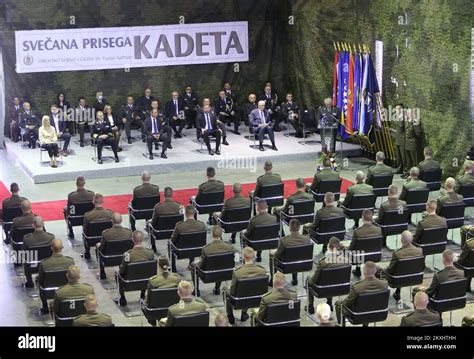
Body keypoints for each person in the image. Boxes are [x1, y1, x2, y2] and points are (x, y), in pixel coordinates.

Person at [226, 246, 266, 324]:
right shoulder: (262, 271)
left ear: (243, 258)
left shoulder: (238, 273)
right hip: (257, 299)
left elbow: (233, 291)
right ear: (254, 257)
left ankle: (230, 315)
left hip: (240, 300)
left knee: (227, 291)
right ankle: (244, 313)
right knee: (250, 290)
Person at [190, 225, 234, 296]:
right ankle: (217, 288)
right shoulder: (229, 247)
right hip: (225, 273)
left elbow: (201, 265)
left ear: (212, 234)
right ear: (221, 234)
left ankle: (196, 290)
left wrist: (196, 263)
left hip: (208, 276)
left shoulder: (206, 249)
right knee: (221, 264)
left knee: (193, 266)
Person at [307, 237, 346, 313]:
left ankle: (310, 306)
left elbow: (314, 280)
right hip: (340, 288)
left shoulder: (323, 263)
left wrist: (310, 280)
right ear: (338, 247)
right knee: (332, 279)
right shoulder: (345, 261)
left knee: (308, 280)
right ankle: (329, 303)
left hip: (323, 289)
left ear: (328, 246)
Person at [381, 230, 423, 301]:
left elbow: (390, 270)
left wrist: (382, 270)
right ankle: (397, 292)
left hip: (397, 279)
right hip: (414, 277)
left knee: (378, 272)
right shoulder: (419, 251)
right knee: (402, 269)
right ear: (412, 239)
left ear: (401, 240)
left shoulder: (398, 254)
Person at [116, 230, 155, 306]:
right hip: (146, 282)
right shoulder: (150, 253)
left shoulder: (128, 255)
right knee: (144, 272)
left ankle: (122, 298)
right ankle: (143, 294)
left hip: (130, 283)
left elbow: (122, 271)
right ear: (143, 239)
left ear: (132, 239)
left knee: (118, 274)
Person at [37, 239, 74, 314]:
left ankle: (45, 306)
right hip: (66, 290)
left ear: (51, 248)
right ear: (62, 247)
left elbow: (40, 280)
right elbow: (72, 277)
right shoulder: (70, 261)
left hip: (48, 292)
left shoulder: (44, 264)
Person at [269, 219, 310, 285]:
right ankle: (295, 279)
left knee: (272, 256)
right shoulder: (307, 239)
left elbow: (277, 256)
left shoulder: (284, 241)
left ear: (289, 228)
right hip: (302, 264)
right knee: (296, 254)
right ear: (299, 228)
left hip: (287, 266)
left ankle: (272, 281)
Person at [169, 205, 206, 272]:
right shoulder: (202, 225)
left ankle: (173, 268)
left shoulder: (179, 225)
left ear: (185, 213)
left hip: (181, 252)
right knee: (193, 241)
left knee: (170, 245)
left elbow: (173, 240)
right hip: (198, 250)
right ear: (194, 213)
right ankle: (191, 262)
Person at [96, 212, 133, 280]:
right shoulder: (129, 233)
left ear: (112, 221)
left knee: (98, 246)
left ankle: (102, 273)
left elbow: (101, 248)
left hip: (109, 259)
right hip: (125, 258)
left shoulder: (106, 234)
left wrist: (98, 246)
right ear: (121, 220)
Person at [348, 209, 382, 276]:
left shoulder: (357, 232)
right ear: (372, 218)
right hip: (375, 255)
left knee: (356, 250)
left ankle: (358, 269)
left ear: (362, 217)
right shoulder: (378, 230)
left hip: (359, 257)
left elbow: (351, 248)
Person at [22, 216, 54, 287]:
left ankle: (30, 282)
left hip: (32, 266)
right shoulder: (51, 237)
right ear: (43, 224)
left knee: (26, 261)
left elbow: (23, 254)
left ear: (33, 225)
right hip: (48, 265)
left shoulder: (27, 239)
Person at [149, 187, 183, 252]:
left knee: (149, 225)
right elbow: (181, 221)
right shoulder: (179, 206)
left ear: (163, 194)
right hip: (175, 231)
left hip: (160, 233)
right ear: (172, 194)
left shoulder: (158, 207)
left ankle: (153, 246)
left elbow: (153, 222)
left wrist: (150, 223)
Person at [82, 193, 114, 259]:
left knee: (83, 234)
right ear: (103, 202)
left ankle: (87, 253)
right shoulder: (110, 214)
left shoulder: (88, 215)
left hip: (91, 240)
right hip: (107, 239)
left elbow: (85, 230)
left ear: (93, 202)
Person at [391, 104, 406, 174]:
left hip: (402, 140)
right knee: (399, 156)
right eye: (396, 109)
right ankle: (400, 168)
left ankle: (405, 170)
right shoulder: (397, 117)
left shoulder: (404, 118)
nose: (397, 110)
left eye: (398, 109)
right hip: (398, 139)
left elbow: (405, 130)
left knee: (404, 156)